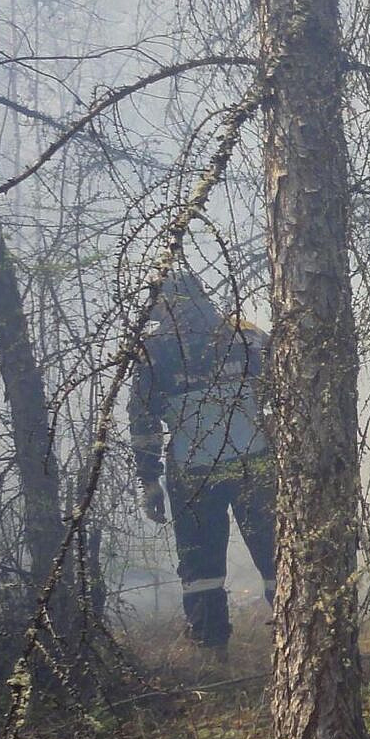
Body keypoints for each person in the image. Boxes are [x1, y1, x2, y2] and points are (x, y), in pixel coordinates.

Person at [129, 270, 277, 649]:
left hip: (194, 474)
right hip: (255, 466)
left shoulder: (154, 350)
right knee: (277, 556)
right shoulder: (247, 335)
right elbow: (285, 389)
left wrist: (148, 480)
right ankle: (295, 641)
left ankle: (212, 651)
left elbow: (144, 421)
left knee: (201, 569)